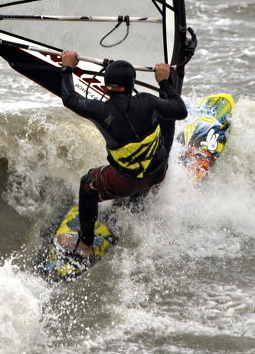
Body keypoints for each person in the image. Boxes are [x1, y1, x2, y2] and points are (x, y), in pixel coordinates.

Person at [58, 49, 187, 260]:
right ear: (132, 85)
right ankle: (146, 192)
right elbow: (180, 110)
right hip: (157, 173)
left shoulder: (99, 110)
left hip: (126, 182)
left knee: (87, 185)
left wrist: (67, 67)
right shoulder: (147, 101)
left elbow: (69, 98)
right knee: (166, 115)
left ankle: (85, 245)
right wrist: (164, 82)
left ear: (107, 87)